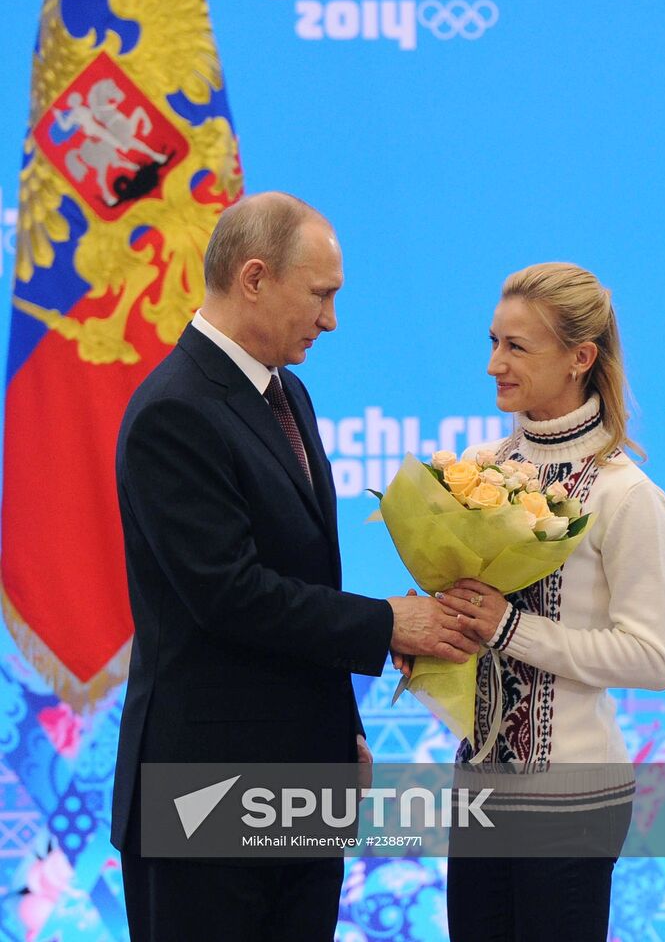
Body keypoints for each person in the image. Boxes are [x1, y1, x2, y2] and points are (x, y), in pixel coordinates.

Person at [110, 192, 480, 942]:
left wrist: (336, 734)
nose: (331, 320)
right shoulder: (174, 410)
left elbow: (302, 580)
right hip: (203, 795)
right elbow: (228, 595)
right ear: (254, 278)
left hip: (298, 787)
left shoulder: (289, 394)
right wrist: (386, 622)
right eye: (321, 295)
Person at [441, 262, 665, 941]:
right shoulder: (475, 466)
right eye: (492, 342)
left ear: (580, 357)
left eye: (515, 346)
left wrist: (511, 628)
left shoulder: (624, 494)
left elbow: (651, 658)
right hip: (479, 790)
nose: (493, 365)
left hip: (573, 797)